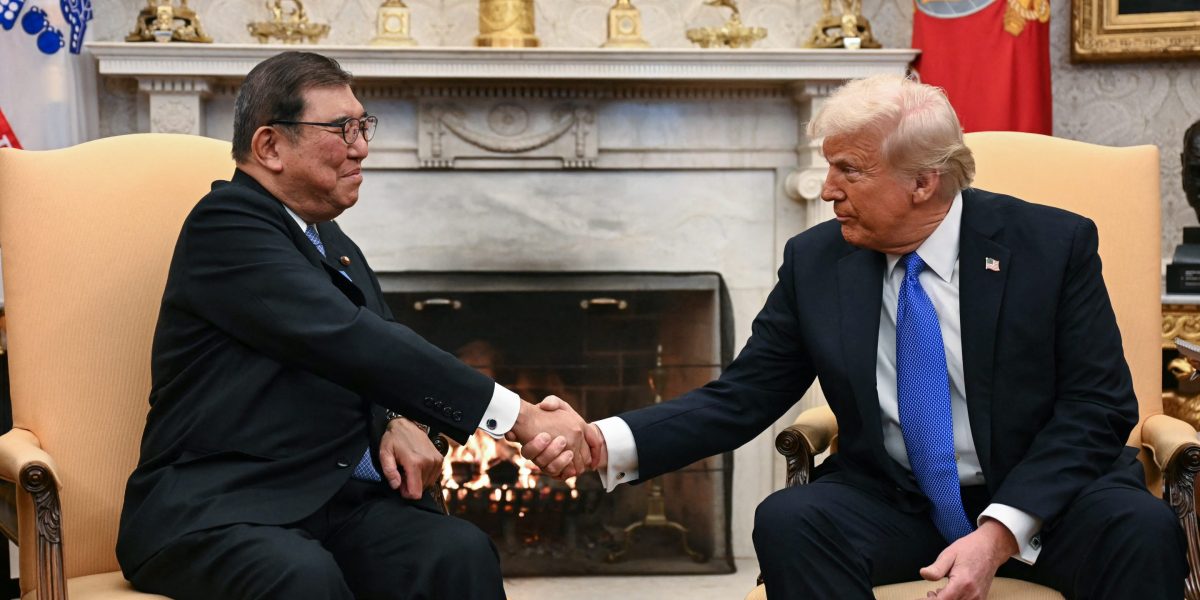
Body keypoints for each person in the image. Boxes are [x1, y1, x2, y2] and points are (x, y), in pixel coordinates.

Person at [529, 74, 1188, 599]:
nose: (826, 191)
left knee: (1141, 529)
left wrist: (1000, 531)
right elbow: (744, 396)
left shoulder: (1050, 245)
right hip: (897, 501)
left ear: (924, 181)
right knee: (791, 521)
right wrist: (603, 441)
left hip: (1049, 500)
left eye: (849, 170)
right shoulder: (817, 261)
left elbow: (1097, 407)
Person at [116, 51, 591, 600]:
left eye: (363, 126)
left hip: (334, 503)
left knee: (456, 551)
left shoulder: (332, 242)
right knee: (302, 577)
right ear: (270, 146)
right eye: (342, 128)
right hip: (223, 506)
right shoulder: (225, 228)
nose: (362, 146)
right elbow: (350, 339)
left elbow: (382, 359)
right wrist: (520, 418)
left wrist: (397, 419)